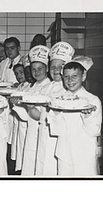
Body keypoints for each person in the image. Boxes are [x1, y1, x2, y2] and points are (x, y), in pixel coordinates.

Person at [47, 56, 102, 176]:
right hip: (64, 154)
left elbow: (94, 132)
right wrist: (55, 113)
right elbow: (56, 131)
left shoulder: (92, 100)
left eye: (74, 76)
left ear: (83, 76)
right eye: (66, 76)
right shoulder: (58, 100)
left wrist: (87, 117)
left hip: (85, 155)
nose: (70, 80)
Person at [35, 41, 75, 176]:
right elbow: (38, 115)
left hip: (60, 136)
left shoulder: (70, 90)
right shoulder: (45, 88)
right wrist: (28, 107)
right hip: (44, 133)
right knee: (42, 166)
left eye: (60, 66)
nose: (56, 70)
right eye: (53, 67)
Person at [12, 45, 51, 175]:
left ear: (47, 68)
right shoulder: (33, 87)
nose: (36, 72)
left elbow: (40, 116)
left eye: (40, 69)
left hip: (41, 131)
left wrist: (26, 105)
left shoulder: (49, 87)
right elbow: (26, 116)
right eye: (33, 69)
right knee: (30, 163)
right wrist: (16, 105)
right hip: (31, 131)